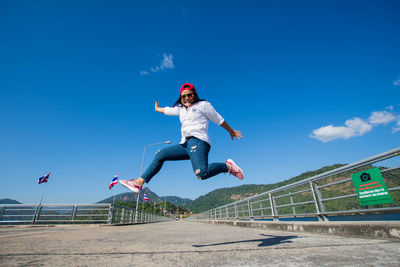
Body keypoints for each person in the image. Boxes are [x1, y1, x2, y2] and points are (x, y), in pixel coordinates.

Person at [119, 83, 244, 193]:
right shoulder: (181, 109)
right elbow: (169, 110)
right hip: (185, 144)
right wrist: (157, 109)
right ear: (181, 98)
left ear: (194, 95)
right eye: (183, 96)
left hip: (199, 141)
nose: (186, 98)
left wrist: (230, 131)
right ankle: (138, 183)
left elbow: (218, 119)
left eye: (189, 95)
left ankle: (228, 166)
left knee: (201, 174)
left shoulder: (203, 105)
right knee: (160, 155)